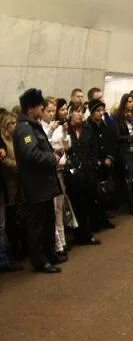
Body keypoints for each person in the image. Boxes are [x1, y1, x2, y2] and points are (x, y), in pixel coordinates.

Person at [13, 89, 64, 273]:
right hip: (35, 185)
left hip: (44, 183)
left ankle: (50, 254)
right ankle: (40, 261)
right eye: (40, 106)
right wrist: (51, 158)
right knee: (37, 225)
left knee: (48, 221)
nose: (42, 109)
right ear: (31, 108)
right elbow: (30, 154)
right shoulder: (24, 129)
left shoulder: (32, 125)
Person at [64, 102, 101, 245]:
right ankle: (77, 234)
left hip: (88, 172)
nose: (80, 114)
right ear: (71, 112)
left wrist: (93, 164)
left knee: (87, 204)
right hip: (72, 173)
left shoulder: (87, 128)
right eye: (77, 111)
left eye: (82, 111)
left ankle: (87, 234)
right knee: (75, 205)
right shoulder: (65, 129)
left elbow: (93, 148)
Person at [85, 99, 118, 228]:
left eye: (102, 110)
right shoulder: (88, 127)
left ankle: (104, 219)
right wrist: (96, 161)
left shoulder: (105, 126)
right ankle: (95, 221)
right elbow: (88, 146)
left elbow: (111, 142)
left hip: (106, 162)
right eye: (97, 111)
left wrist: (110, 157)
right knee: (95, 194)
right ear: (92, 112)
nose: (100, 113)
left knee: (105, 192)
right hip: (95, 163)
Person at [0, 112, 24, 271]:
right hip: (9, 182)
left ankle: (8, 257)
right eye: (12, 123)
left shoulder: (17, 139)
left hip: (16, 183)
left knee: (6, 223)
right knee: (7, 222)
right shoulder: (3, 141)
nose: (16, 126)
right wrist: (19, 166)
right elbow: (5, 160)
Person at [50, 99, 71, 254]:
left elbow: (66, 145)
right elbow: (50, 146)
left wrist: (64, 132)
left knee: (59, 208)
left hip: (61, 170)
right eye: (49, 110)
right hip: (51, 172)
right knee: (53, 209)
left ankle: (62, 241)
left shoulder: (62, 127)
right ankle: (58, 244)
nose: (64, 112)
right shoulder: (47, 128)